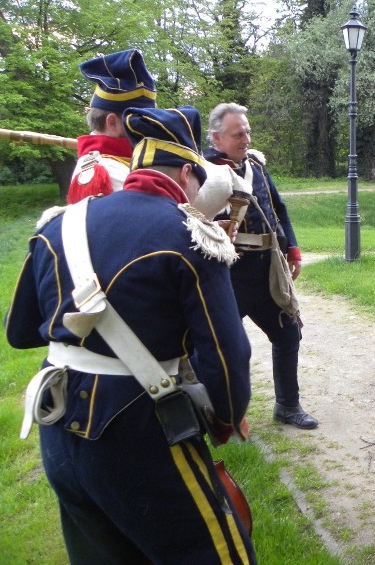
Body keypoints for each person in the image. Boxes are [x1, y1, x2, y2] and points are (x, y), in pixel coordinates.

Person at [4, 106, 255, 564]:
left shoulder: (60, 224)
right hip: (141, 429)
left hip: (56, 427)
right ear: (185, 173)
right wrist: (226, 418)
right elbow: (227, 355)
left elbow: (20, 331)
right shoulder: (191, 234)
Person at [203, 102, 318, 430]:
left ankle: (287, 405)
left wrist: (292, 249)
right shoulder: (202, 171)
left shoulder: (255, 164)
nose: (246, 139)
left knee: (287, 334)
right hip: (227, 273)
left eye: (248, 132)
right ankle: (220, 413)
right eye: (238, 134)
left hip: (266, 270)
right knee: (222, 346)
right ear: (217, 137)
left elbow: (278, 209)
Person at [67, 49, 157, 203]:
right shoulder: (102, 170)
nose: (145, 128)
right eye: (138, 120)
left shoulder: (122, 159)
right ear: (112, 122)